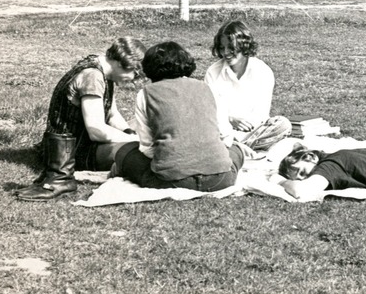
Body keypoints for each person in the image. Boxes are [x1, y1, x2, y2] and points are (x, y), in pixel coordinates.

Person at [15, 37, 147, 201]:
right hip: (72, 151)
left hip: (86, 142)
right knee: (135, 150)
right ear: (123, 63)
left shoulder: (104, 72)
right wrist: (133, 140)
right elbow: (96, 130)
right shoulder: (92, 76)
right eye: (134, 73)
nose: (134, 78)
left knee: (143, 124)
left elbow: (112, 114)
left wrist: (130, 131)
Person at [113, 42, 245, 191]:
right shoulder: (208, 89)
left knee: (124, 152)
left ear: (149, 69)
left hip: (172, 181)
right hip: (220, 179)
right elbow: (226, 137)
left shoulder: (145, 94)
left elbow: (146, 148)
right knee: (237, 149)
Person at [204, 21, 291, 152]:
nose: (226, 53)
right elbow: (211, 112)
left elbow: (260, 115)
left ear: (243, 46)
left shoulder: (262, 71)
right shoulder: (213, 72)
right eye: (222, 48)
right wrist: (231, 120)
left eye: (231, 48)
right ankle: (240, 149)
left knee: (283, 124)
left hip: (254, 131)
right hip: (221, 130)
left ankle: (237, 149)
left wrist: (242, 130)